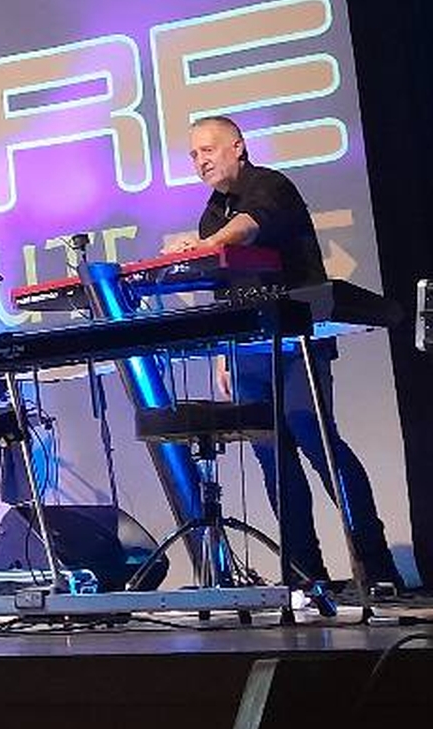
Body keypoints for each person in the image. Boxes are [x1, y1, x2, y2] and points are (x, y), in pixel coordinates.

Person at [170, 115, 404, 593]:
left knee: (317, 441)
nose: (200, 161)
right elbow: (224, 287)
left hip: (298, 342)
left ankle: (377, 569)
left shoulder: (270, 186)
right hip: (249, 351)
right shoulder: (211, 212)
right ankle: (305, 576)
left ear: (238, 147)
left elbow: (247, 229)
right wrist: (223, 355)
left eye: (208, 150)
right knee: (272, 459)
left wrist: (204, 246)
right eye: (193, 155)